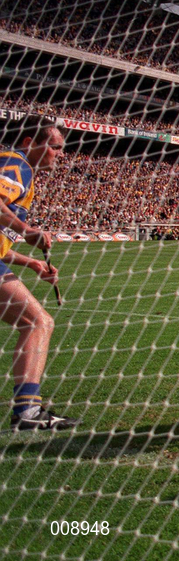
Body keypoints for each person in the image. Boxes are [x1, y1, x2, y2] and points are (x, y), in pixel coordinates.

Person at [1, 114, 78, 431]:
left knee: (36, 322)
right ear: (30, 143)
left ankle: (28, 411)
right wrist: (26, 229)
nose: (60, 153)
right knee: (38, 321)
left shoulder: (20, 168)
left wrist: (30, 262)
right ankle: (27, 412)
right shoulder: (15, 162)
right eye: (56, 147)